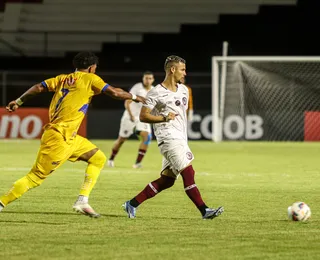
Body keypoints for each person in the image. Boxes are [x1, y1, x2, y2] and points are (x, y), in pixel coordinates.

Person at [0, 51, 145, 218]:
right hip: (59, 137)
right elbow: (114, 92)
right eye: (95, 68)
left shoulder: (62, 78)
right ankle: (1, 203)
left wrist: (18, 101)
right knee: (35, 177)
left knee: (98, 158)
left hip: (70, 138)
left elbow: (39, 87)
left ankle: (82, 201)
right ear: (91, 68)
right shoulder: (91, 79)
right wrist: (135, 97)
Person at [123, 55, 224, 220]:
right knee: (188, 172)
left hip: (181, 139)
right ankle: (204, 210)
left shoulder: (184, 89)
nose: (185, 73)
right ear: (172, 69)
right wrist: (164, 118)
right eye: (183, 69)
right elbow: (143, 116)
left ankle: (132, 204)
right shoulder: (156, 92)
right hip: (168, 139)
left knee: (167, 180)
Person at [108, 71, 155, 168]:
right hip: (130, 117)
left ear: (153, 80)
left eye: (150, 78)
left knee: (147, 138)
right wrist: (131, 115)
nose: (148, 80)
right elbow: (127, 101)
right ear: (143, 79)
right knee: (121, 140)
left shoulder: (154, 90)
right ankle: (111, 159)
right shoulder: (137, 87)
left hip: (142, 118)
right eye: (146, 78)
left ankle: (137, 163)